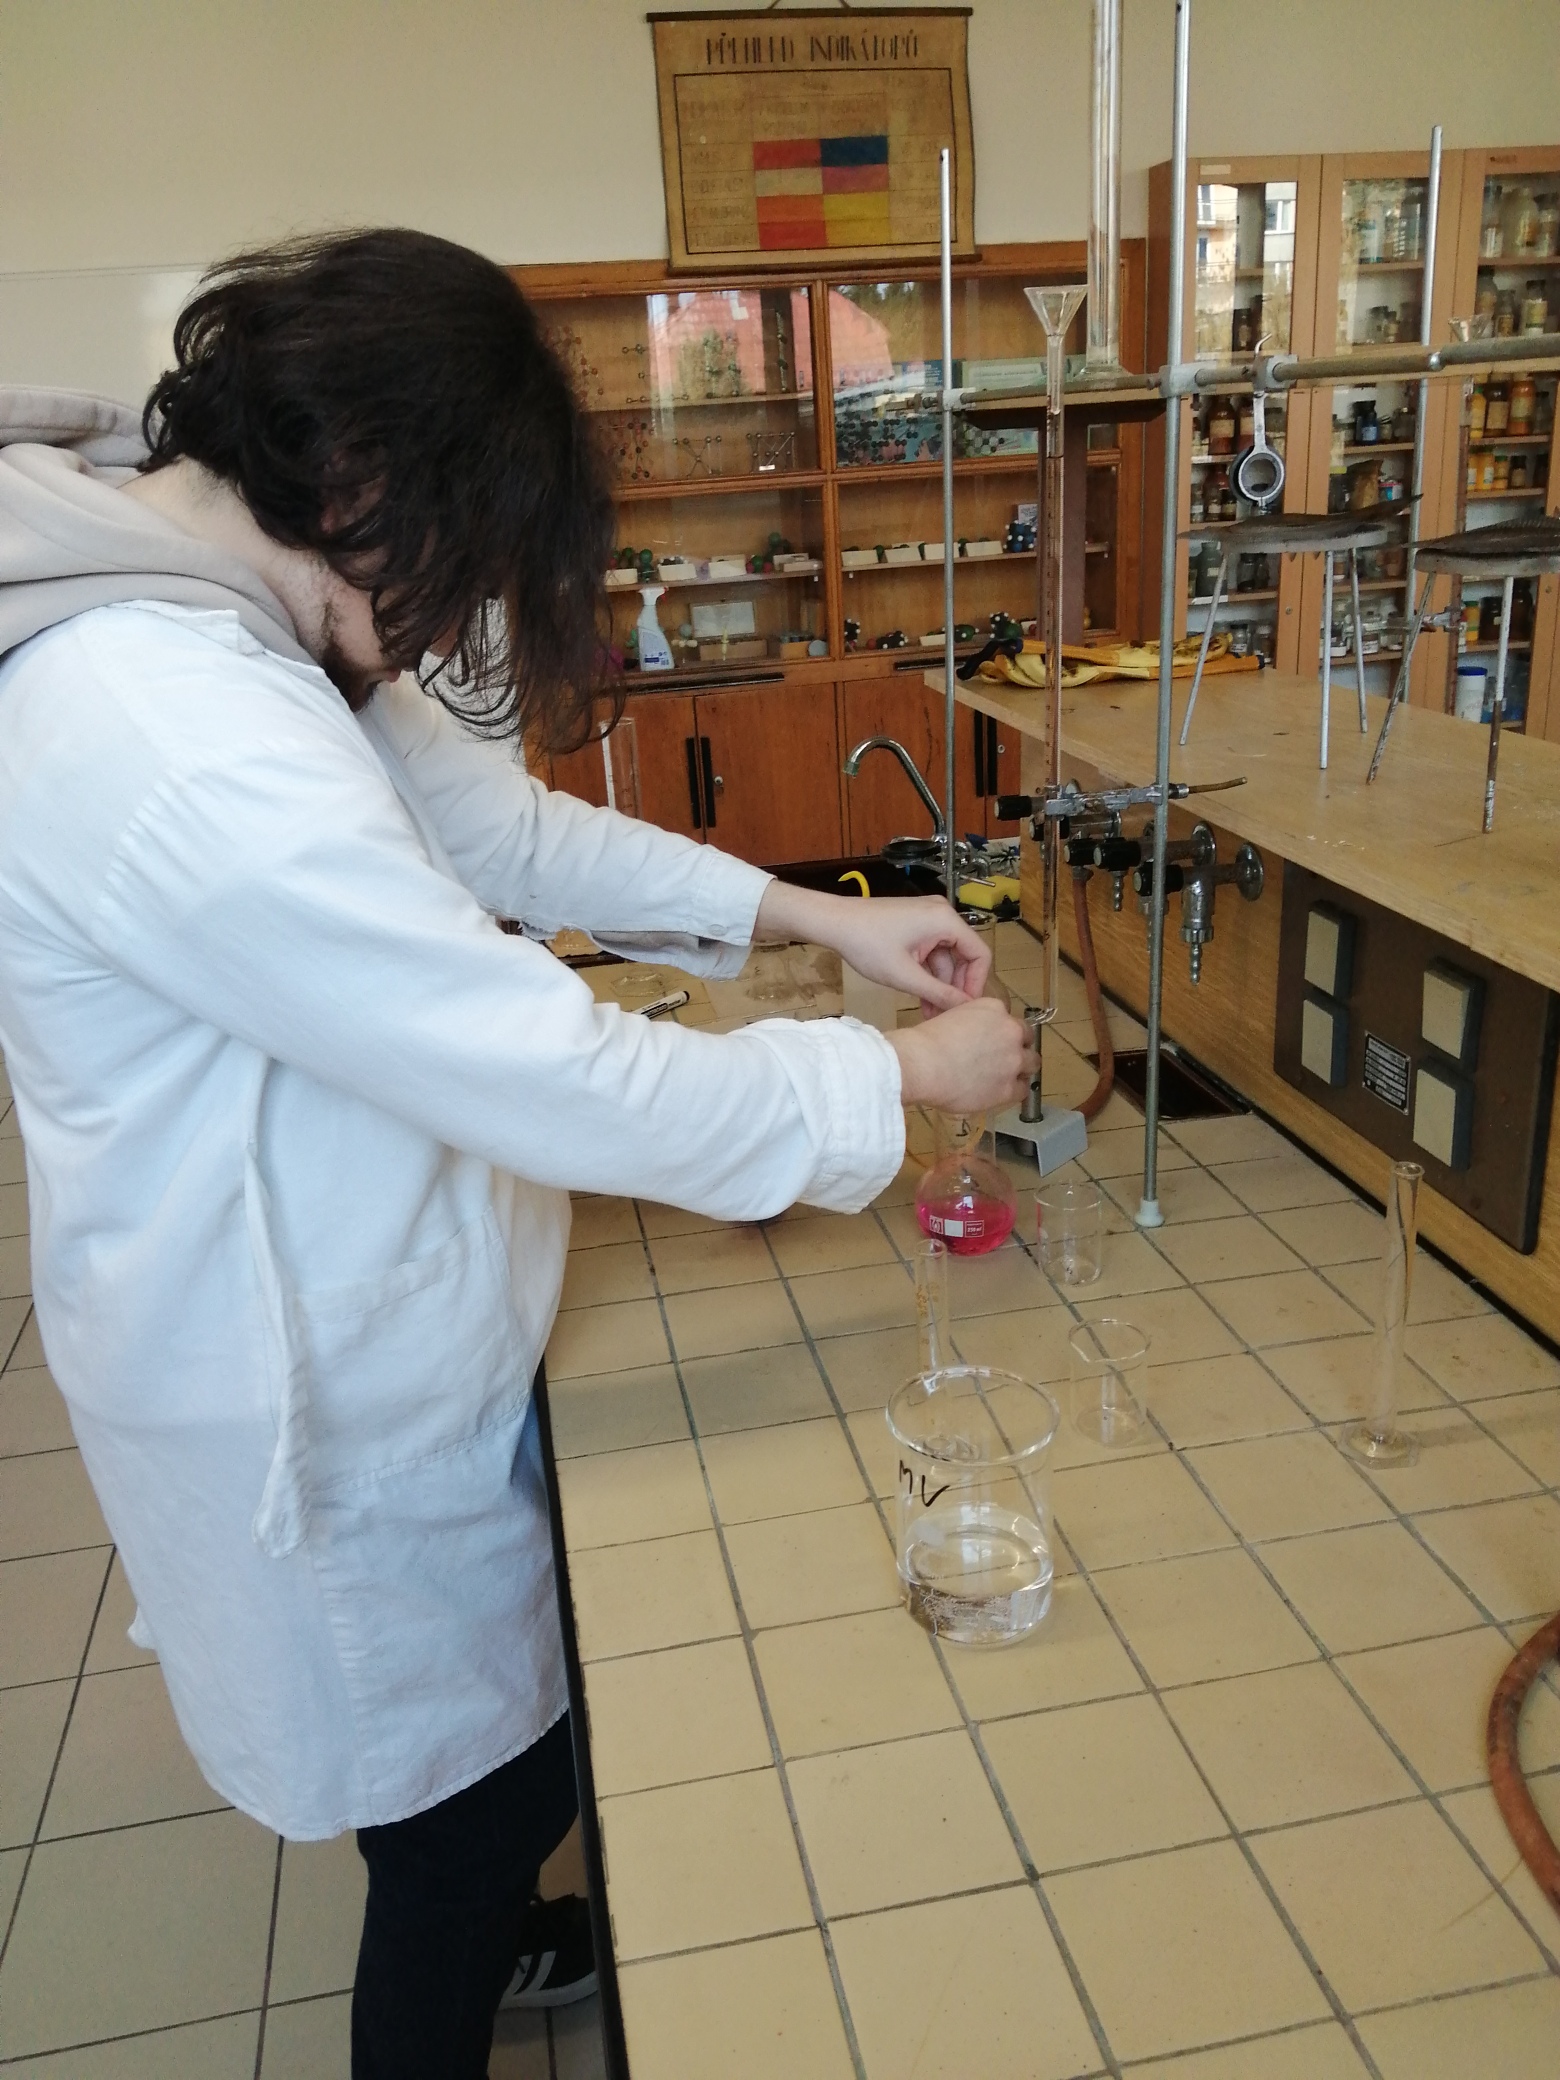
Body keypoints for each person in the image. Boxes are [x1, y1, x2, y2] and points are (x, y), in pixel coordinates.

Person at [0, 229, 1030, 2080]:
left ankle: (487, 1917)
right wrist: (892, 1080)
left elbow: (508, 837)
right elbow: (546, 1069)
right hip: (299, 1391)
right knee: (465, 1816)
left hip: (361, 1308)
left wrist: (820, 914)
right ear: (364, 480)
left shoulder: (232, 585)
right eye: (461, 574)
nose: (445, 629)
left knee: (485, 1779)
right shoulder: (172, 727)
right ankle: (452, 1972)